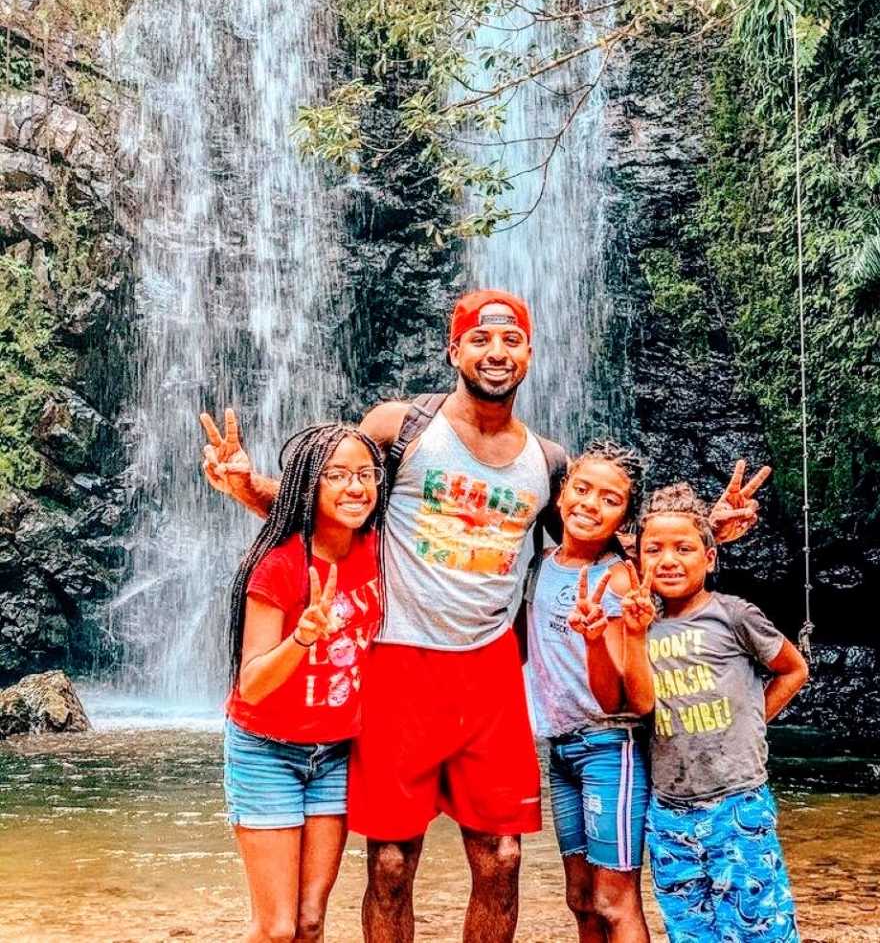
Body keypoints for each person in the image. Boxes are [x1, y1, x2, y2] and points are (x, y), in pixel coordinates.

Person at [201, 288, 766, 943]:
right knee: (388, 861)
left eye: (511, 341)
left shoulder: (549, 462)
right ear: (454, 349)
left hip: (492, 671)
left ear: (528, 353)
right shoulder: (399, 425)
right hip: (397, 661)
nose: (496, 352)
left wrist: (705, 532)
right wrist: (245, 485)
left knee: (501, 858)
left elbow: (597, 541)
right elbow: (336, 502)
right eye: (480, 339)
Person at [527, 443, 770, 943]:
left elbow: (672, 552)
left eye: (611, 499)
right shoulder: (541, 562)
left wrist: (711, 525)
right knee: (580, 899)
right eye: (582, 489)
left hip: (610, 746)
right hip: (561, 747)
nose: (591, 504)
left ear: (623, 522)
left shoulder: (622, 577)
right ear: (560, 492)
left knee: (614, 901)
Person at [577, 482, 808, 943]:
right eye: (654, 549)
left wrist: (752, 723)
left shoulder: (734, 615)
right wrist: (628, 637)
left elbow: (793, 669)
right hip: (669, 811)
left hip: (738, 801)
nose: (668, 560)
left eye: (684, 548)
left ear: (710, 556)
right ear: (637, 560)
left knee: (758, 926)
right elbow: (641, 705)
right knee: (690, 931)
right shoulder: (642, 625)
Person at [222, 422, 386, 943]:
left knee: (312, 922)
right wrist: (301, 637)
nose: (355, 487)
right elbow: (251, 684)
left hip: (334, 751)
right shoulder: (279, 565)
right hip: (266, 750)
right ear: (308, 485)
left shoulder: (378, 550)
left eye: (365, 474)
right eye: (336, 475)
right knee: (275, 928)